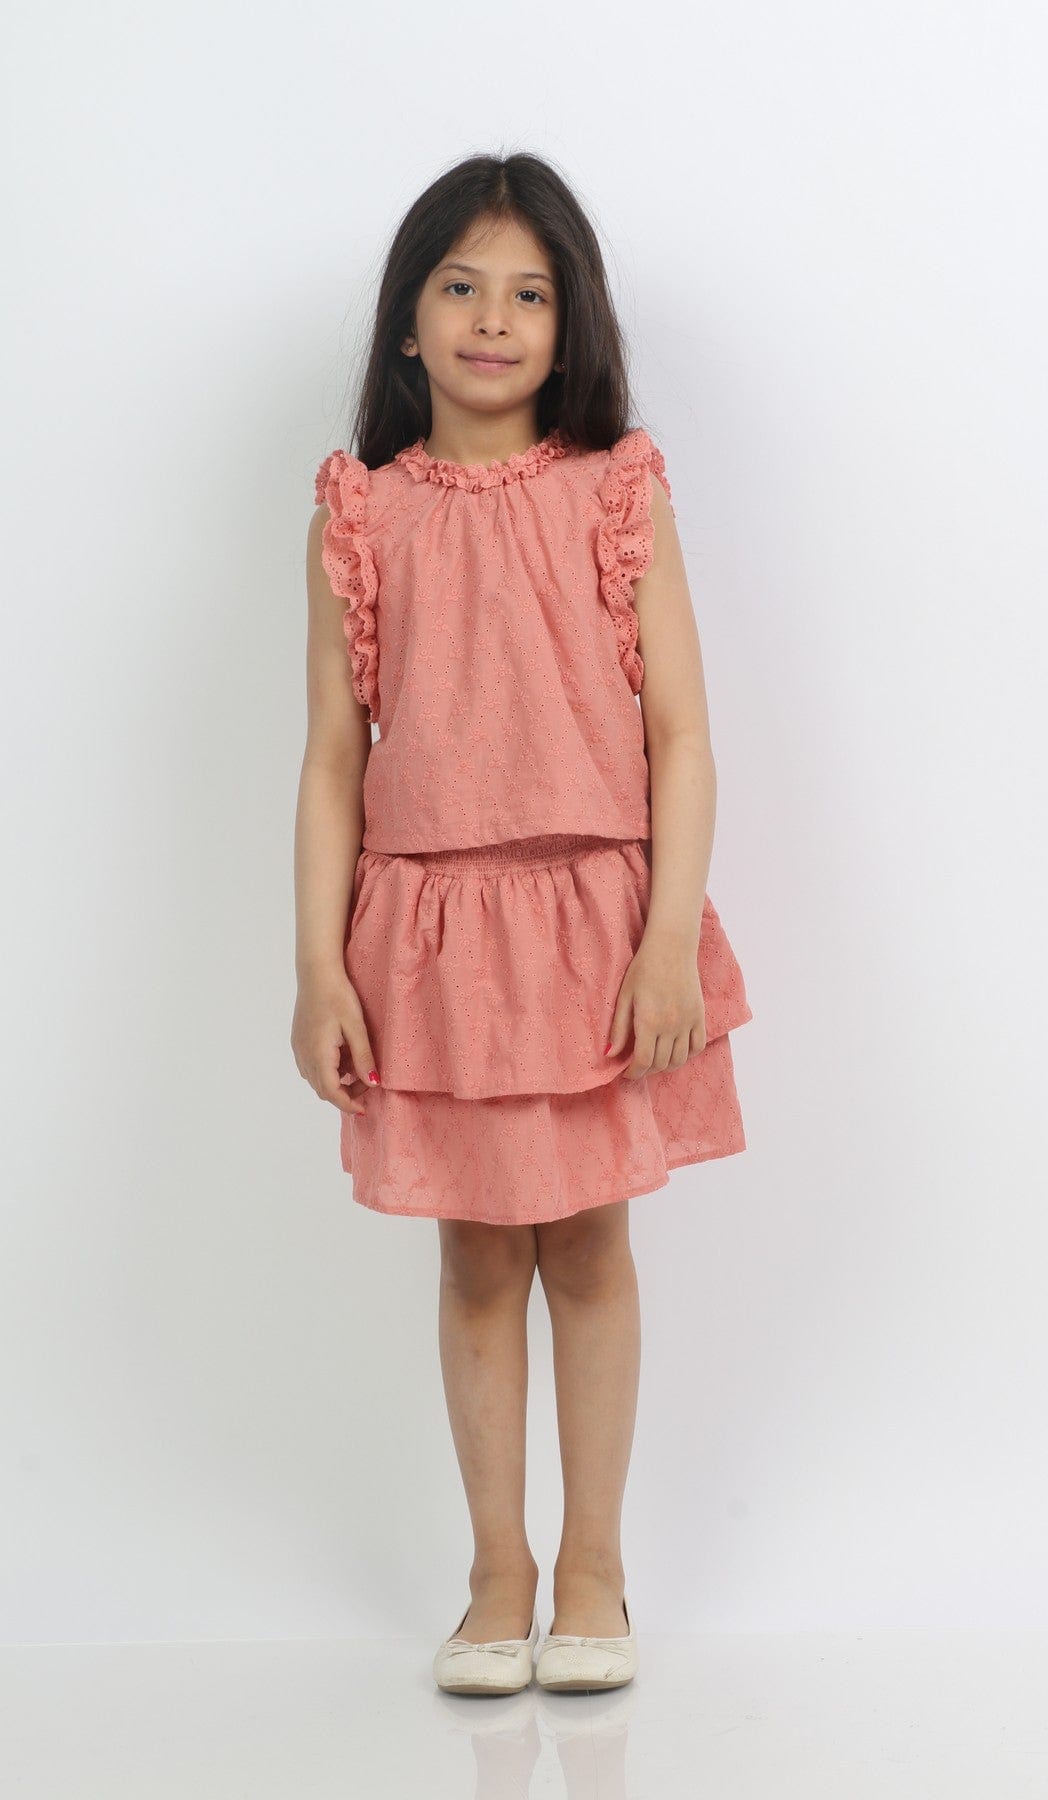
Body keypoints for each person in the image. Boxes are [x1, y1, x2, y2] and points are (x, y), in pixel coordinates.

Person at [291, 151, 753, 1695]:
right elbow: (333, 757)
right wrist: (317, 968)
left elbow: (681, 733)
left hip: (593, 920)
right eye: (462, 286)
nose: (494, 318)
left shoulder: (615, 492)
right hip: (432, 935)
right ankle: (499, 1572)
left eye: (530, 293)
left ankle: (595, 1566)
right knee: (480, 1256)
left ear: (571, 325)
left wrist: (668, 939)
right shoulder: (361, 514)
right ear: (407, 320)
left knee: (592, 1243)